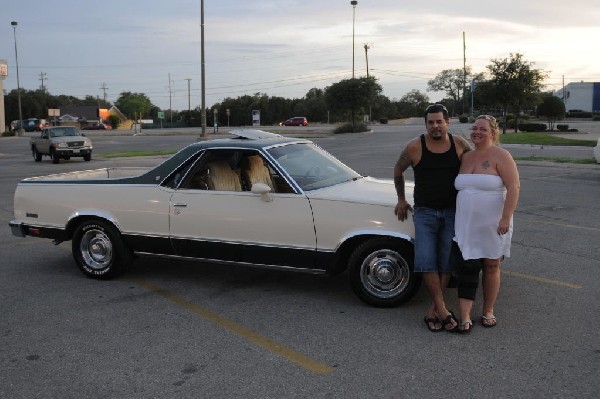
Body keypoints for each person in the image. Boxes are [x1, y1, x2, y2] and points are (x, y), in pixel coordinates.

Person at [394, 104, 471, 332]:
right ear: (426, 123)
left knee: (446, 261)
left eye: (439, 121)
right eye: (430, 122)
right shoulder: (415, 146)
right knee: (426, 259)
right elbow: (398, 170)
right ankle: (443, 311)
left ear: (448, 122)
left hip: (452, 211)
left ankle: (434, 311)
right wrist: (401, 199)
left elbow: (476, 170)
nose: (435, 126)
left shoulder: (460, 145)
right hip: (425, 212)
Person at [453, 115, 520, 334]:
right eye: (474, 128)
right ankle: (464, 314)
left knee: (491, 265)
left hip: (494, 222)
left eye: (483, 129)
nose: (477, 132)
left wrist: (505, 218)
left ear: (493, 132)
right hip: (467, 223)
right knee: (467, 265)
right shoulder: (466, 156)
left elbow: (514, 187)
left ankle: (488, 310)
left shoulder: (502, 155)